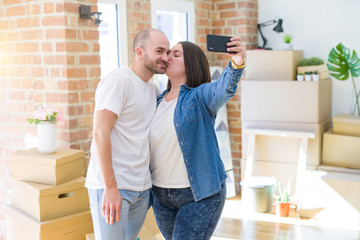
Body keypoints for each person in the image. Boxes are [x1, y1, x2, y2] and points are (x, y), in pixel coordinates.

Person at [149, 36, 245, 240]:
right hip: (162, 196)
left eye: (176, 54)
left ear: (191, 63)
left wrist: (237, 62)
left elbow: (224, 88)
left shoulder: (201, 96)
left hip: (199, 196)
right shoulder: (155, 101)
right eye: (168, 53)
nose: (168, 57)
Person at [85, 29, 170, 240]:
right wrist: (111, 188)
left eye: (168, 52)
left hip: (141, 188)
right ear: (139, 52)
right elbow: (100, 132)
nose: (165, 58)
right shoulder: (119, 81)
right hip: (115, 187)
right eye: (159, 51)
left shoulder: (153, 89)